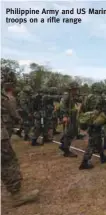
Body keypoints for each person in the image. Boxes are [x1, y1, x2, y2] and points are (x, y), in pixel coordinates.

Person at [1, 68, 40, 207]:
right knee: (8, 162)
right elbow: (15, 115)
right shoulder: (7, 98)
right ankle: (16, 196)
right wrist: (21, 120)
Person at [78, 83, 106, 169]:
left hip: (89, 120)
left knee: (97, 139)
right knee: (92, 142)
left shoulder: (87, 97)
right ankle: (85, 162)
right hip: (96, 121)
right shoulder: (100, 98)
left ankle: (102, 156)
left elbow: (82, 109)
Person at [58, 81, 80, 157]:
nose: (76, 90)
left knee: (71, 132)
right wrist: (64, 116)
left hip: (72, 116)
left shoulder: (72, 95)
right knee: (69, 133)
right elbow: (62, 105)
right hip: (68, 117)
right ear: (71, 89)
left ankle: (63, 145)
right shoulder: (66, 95)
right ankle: (66, 150)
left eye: (76, 89)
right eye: (75, 89)